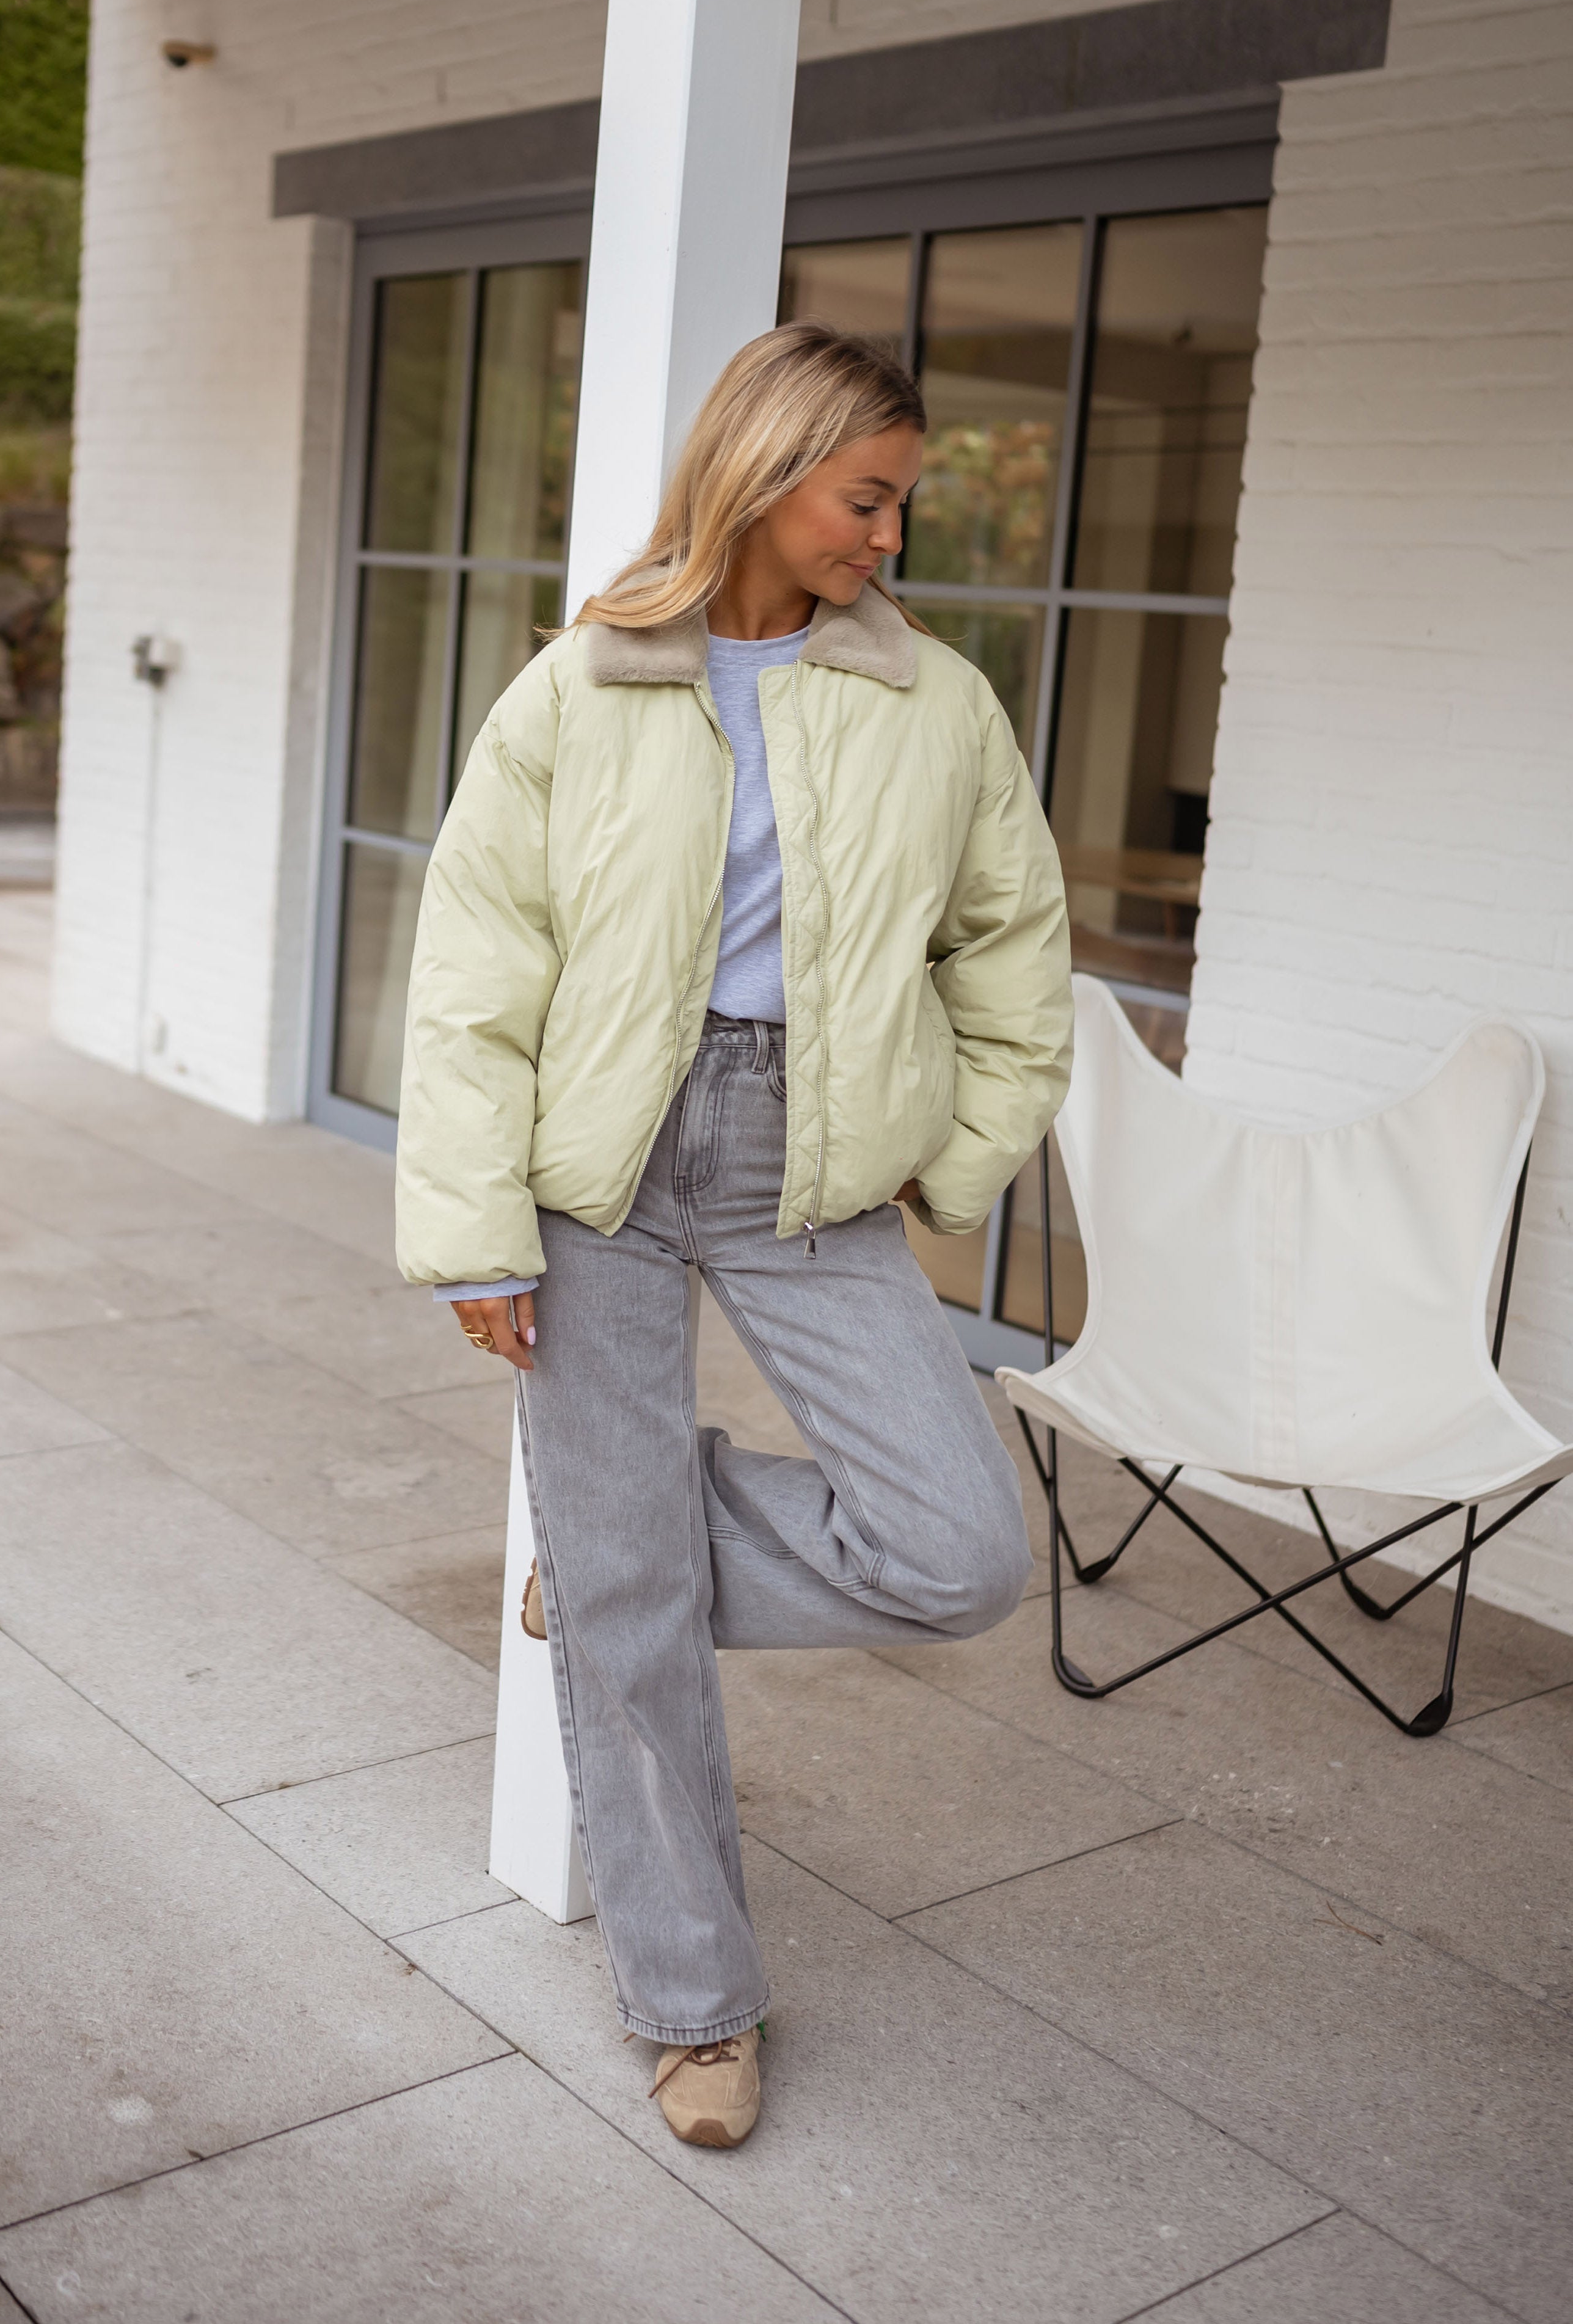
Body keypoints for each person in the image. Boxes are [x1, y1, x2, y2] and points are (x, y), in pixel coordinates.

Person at [396, 322, 1073, 2149]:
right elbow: (475, 971)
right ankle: (696, 2007)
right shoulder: (583, 686)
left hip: (816, 1151)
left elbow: (1017, 953)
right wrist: (475, 1228)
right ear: (769, 472)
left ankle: (625, 1554)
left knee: (960, 1549)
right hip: (594, 1162)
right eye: (869, 498)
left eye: (898, 506)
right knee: (626, 1608)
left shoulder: (940, 704)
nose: (889, 538)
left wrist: (962, 1154)